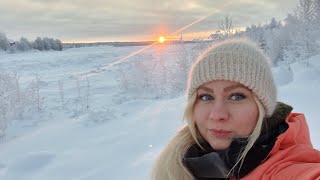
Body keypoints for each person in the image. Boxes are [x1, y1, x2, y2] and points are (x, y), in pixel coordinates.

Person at [151, 39, 320, 180]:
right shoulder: (179, 162)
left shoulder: (286, 168)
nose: (217, 115)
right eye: (205, 97)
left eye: (236, 96)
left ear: (262, 108)